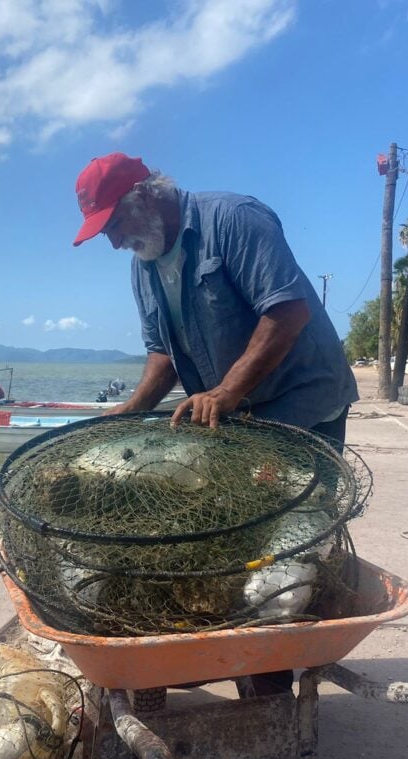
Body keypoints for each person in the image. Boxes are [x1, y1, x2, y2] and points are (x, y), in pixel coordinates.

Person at [73, 152, 359, 694]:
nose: (113, 241)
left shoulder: (234, 218)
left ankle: (268, 678)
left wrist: (227, 390)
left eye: (114, 224)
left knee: (285, 532)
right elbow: (162, 351)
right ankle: (228, 650)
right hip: (241, 413)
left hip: (301, 399)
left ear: (149, 195)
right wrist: (134, 407)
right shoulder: (145, 264)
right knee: (232, 524)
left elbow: (288, 312)